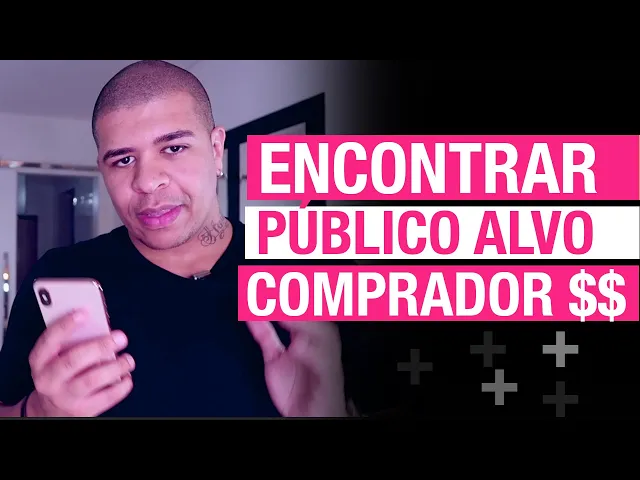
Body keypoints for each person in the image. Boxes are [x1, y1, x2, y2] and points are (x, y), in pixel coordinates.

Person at [0, 60, 355, 417]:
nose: (146, 181)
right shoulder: (61, 273)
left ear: (216, 149)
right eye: (123, 160)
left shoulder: (317, 272)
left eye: (173, 148)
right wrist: (40, 410)